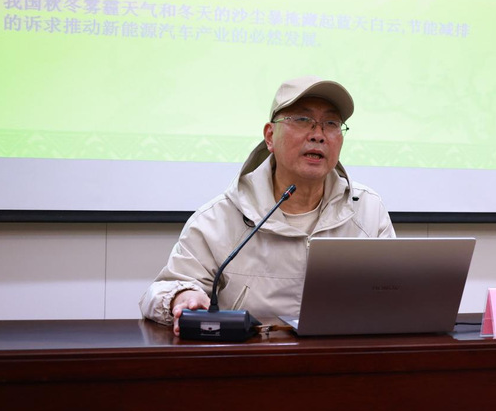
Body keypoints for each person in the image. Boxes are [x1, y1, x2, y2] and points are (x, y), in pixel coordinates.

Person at [140, 75, 396, 335]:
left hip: (342, 354)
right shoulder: (220, 217)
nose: (318, 135)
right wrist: (182, 296)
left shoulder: (367, 210)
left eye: (331, 124)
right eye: (302, 120)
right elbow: (160, 291)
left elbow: (396, 293)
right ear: (270, 136)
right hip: (252, 355)